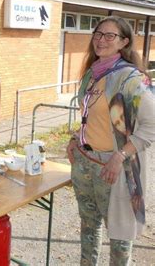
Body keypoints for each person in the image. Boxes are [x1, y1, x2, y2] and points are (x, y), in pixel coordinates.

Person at [65, 16, 155, 265]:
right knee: (88, 225)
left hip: (112, 167)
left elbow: (151, 126)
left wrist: (120, 155)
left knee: (119, 233)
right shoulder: (92, 74)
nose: (100, 40)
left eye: (109, 35)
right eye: (97, 34)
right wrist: (76, 138)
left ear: (124, 42)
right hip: (85, 162)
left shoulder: (132, 79)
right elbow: (91, 116)